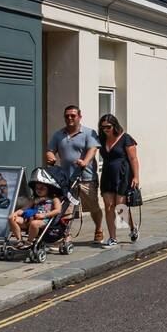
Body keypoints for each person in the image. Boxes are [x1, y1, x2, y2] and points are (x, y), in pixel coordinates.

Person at [46, 106, 103, 248]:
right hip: (66, 179)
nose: (70, 118)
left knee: (93, 207)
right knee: (66, 208)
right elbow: (50, 150)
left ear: (79, 116)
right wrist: (51, 157)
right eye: (67, 116)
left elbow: (93, 149)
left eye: (73, 115)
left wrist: (84, 162)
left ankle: (99, 229)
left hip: (86, 177)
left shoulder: (89, 132)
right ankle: (66, 235)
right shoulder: (58, 134)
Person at [97, 114, 140, 247]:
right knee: (109, 207)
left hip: (123, 175)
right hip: (107, 175)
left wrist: (136, 177)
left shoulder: (125, 138)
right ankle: (112, 237)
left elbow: (133, 159)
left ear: (114, 125)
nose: (105, 130)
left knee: (120, 207)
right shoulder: (101, 139)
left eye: (108, 127)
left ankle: (133, 228)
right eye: (103, 127)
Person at [7, 173, 62, 249]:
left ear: (48, 189)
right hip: (29, 219)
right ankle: (19, 240)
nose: (38, 190)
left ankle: (29, 242)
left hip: (44, 221)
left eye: (42, 188)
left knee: (34, 223)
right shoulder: (34, 199)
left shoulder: (54, 199)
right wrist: (15, 214)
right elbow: (24, 209)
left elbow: (58, 210)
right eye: (37, 188)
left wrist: (44, 215)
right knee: (11, 218)